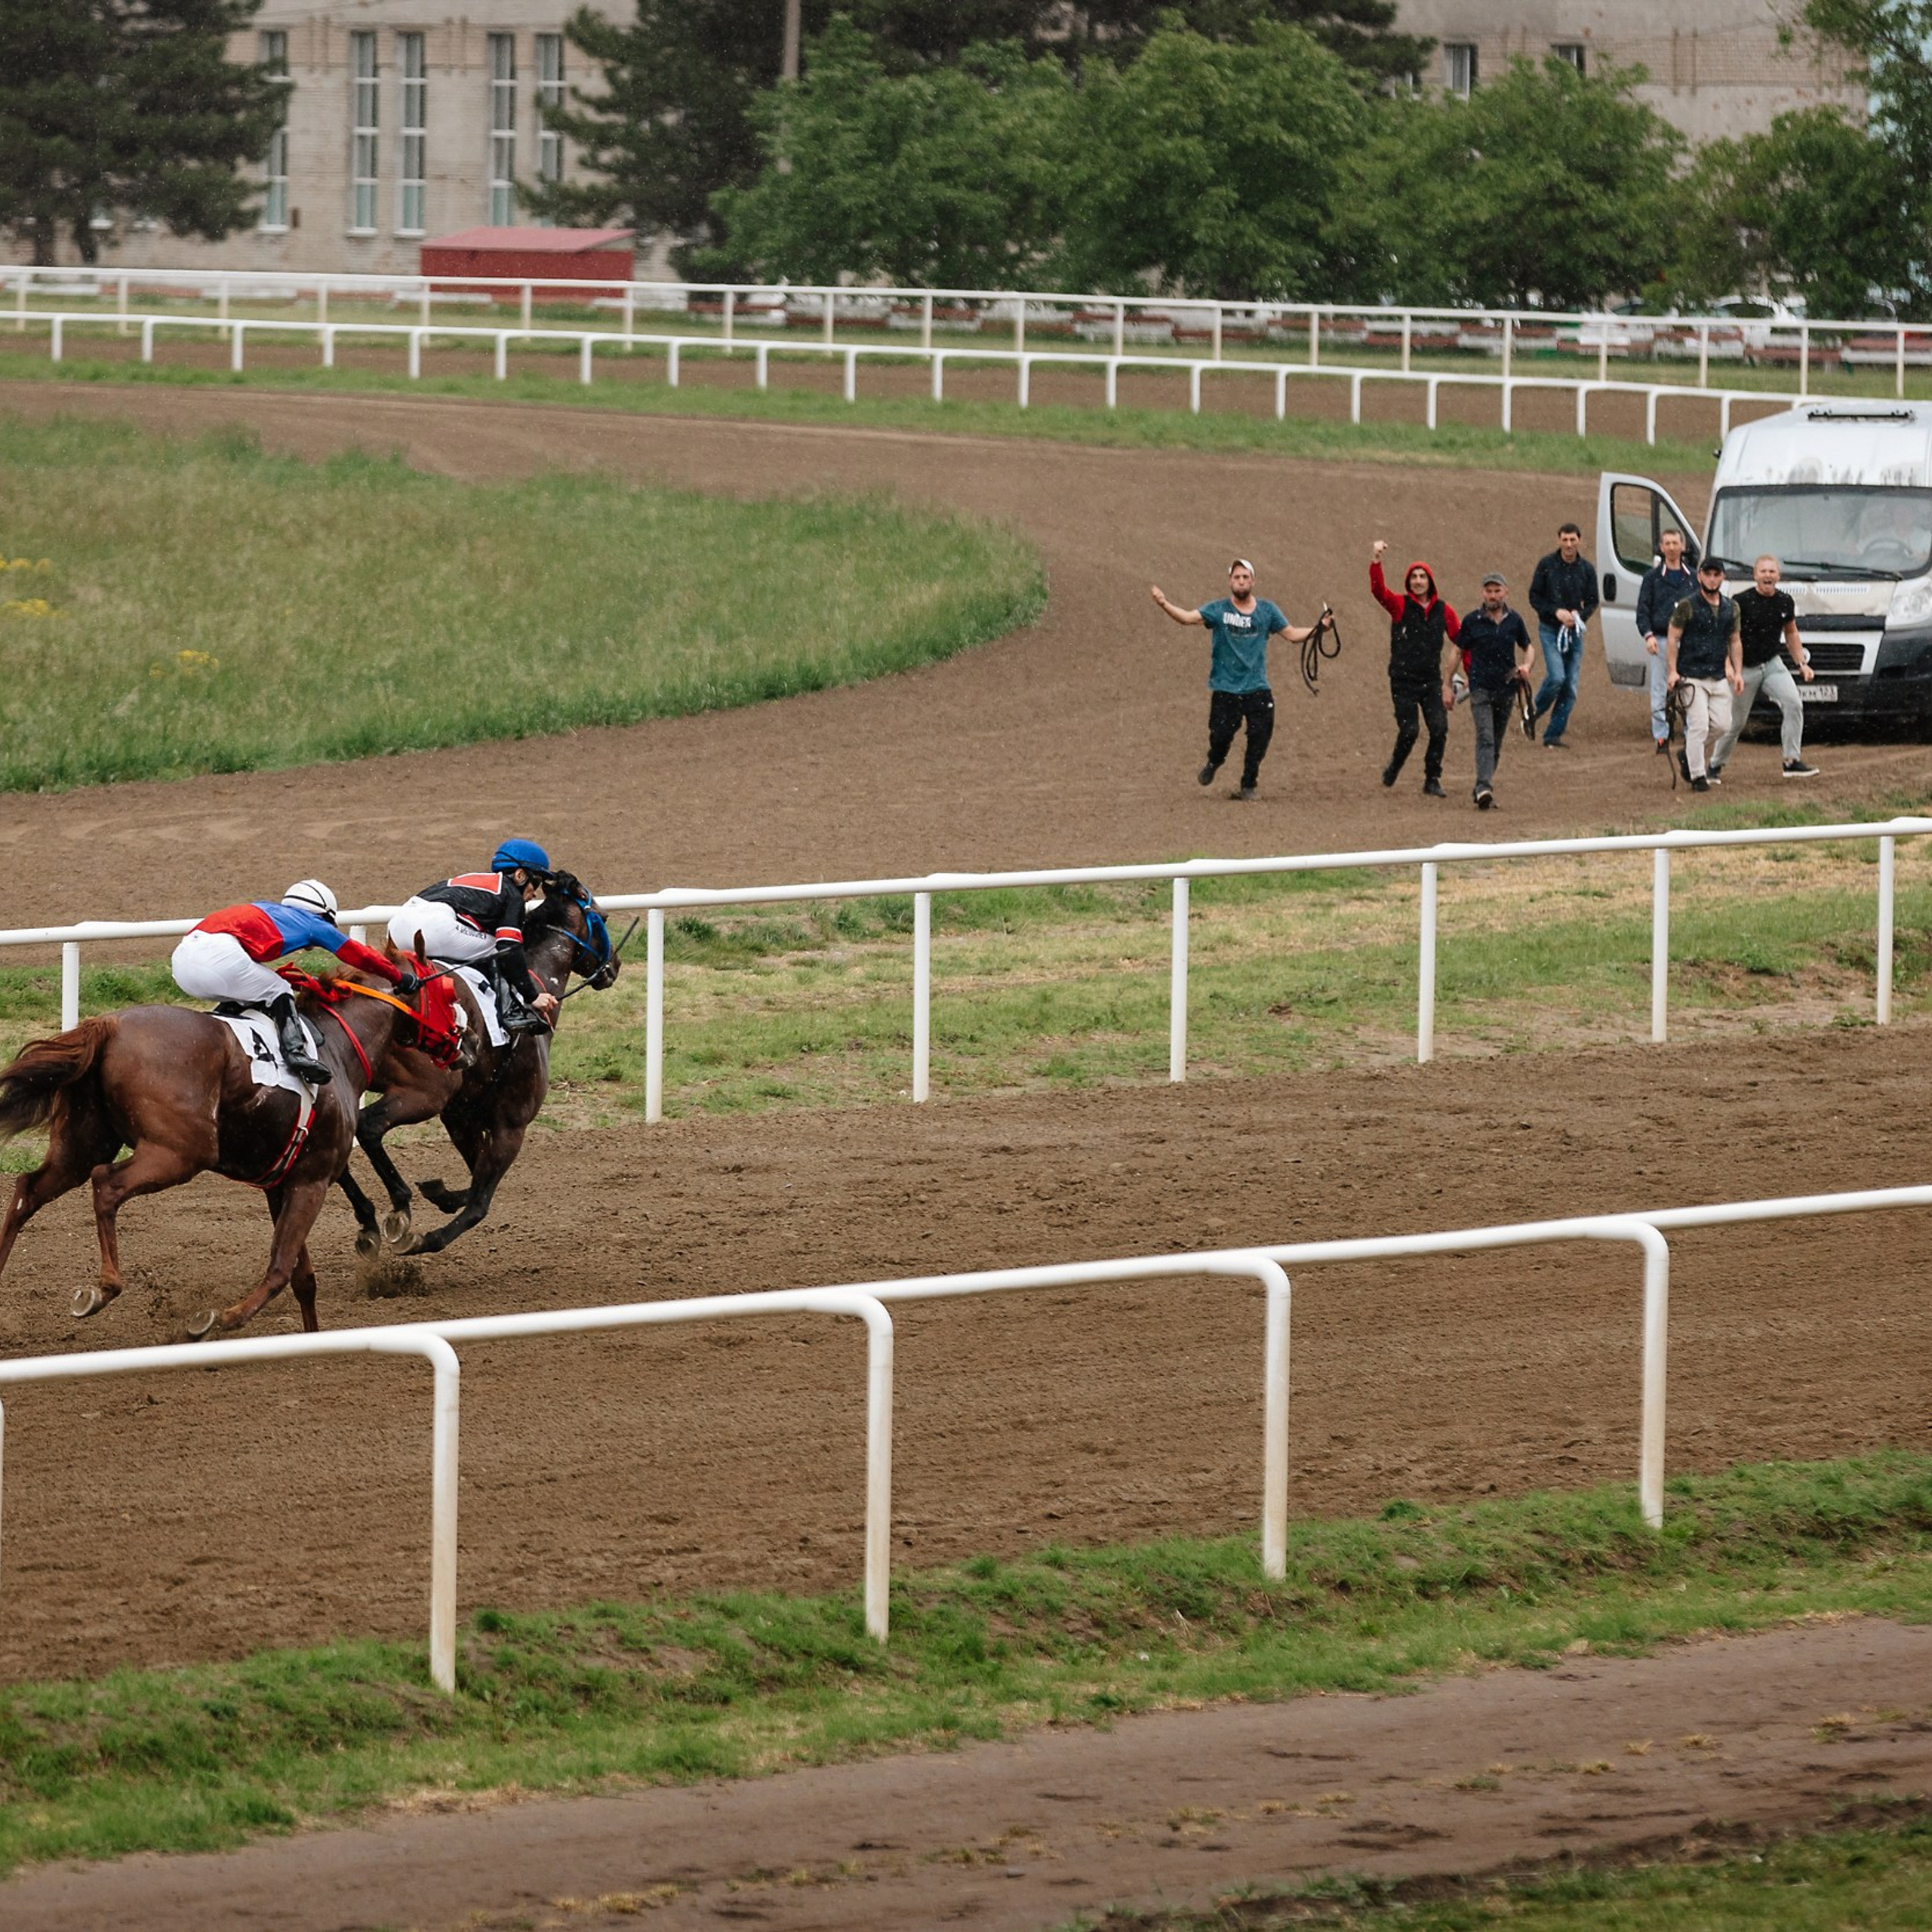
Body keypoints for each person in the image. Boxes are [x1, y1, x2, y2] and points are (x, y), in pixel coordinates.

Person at [171, 878, 420, 1084]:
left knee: (251, 991)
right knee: (278, 989)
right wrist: (399, 977)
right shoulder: (312, 922)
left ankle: (211, 1042)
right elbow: (359, 955)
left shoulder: (268, 909)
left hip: (182, 961)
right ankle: (296, 1054)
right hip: (217, 958)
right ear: (322, 914)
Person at [1150, 558, 1334, 800]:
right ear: (1230, 582)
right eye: (1237, 577)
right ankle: (1215, 761)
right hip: (1225, 689)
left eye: (1246, 577)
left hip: (1257, 688)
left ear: (1253, 581)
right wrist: (1164, 603)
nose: (1241, 581)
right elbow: (1186, 618)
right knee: (1220, 737)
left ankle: (1248, 785)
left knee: (1260, 737)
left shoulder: (1268, 611)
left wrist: (1319, 629)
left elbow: (1291, 634)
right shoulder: (1218, 610)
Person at [388, 838, 562, 1034]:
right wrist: (532, 996)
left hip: (396, 927)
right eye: (536, 882)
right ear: (520, 875)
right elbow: (508, 947)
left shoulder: (480, 882)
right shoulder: (512, 895)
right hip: (433, 927)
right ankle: (512, 1014)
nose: (535, 893)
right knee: (502, 949)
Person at [1708, 554, 1821, 781]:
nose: (1768, 575)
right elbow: (1726, 637)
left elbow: (1791, 632)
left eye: (1772, 571)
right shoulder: (1740, 602)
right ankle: (1714, 766)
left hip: (1771, 664)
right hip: (1744, 669)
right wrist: (1729, 667)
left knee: (1794, 704)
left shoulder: (1785, 602)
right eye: (1763, 571)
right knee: (1736, 723)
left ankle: (1791, 761)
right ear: (1755, 575)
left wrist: (1802, 664)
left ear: (1778, 576)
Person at [1369, 540, 1459, 797]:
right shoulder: (1399, 605)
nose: (1418, 581)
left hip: (1431, 682)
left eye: (1422, 577)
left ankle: (1432, 779)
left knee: (1439, 729)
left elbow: (1461, 640)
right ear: (1408, 582)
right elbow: (1379, 591)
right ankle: (1394, 767)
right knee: (1409, 731)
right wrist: (1376, 560)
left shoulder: (1444, 610)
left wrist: (1466, 674)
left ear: (1430, 581)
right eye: (1414, 577)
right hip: (1403, 681)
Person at [1453, 570, 1535, 809]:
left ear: (1505, 592)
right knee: (1486, 737)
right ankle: (1483, 787)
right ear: (1483, 593)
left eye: (1497, 591)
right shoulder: (1472, 621)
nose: (1493, 595)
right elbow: (1457, 651)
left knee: (1496, 742)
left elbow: (1528, 647)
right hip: (1480, 688)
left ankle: (1482, 787)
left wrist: (1527, 666)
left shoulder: (1515, 620)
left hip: (1506, 689)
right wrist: (1448, 684)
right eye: (1489, 591)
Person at [1666, 558, 1743, 792]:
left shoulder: (1732, 608)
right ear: (1700, 576)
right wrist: (1673, 671)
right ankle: (1698, 776)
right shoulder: (1687, 606)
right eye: (1707, 574)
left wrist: (1738, 671)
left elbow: (1735, 641)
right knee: (1698, 724)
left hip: (1718, 676)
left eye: (1716, 575)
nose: (1712, 579)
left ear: (1722, 577)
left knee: (1723, 725)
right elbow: (1673, 638)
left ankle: (1689, 754)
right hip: (1692, 675)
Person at [1527, 521, 1599, 749]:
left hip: (1574, 633)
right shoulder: (1546, 565)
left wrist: (1579, 616)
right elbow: (1535, 596)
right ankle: (1532, 713)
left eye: (1572, 540)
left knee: (1570, 687)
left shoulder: (1587, 569)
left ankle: (1553, 735)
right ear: (1558, 540)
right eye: (1565, 540)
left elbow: (1593, 601)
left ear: (1579, 540)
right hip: (1550, 630)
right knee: (1557, 677)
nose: (1569, 544)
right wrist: (1555, 612)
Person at [1635, 527, 1695, 756]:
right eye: (1667, 543)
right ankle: (1661, 737)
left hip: (1687, 643)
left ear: (1683, 546)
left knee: (1690, 689)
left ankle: (1692, 735)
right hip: (1660, 640)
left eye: (1675, 543)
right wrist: (1648, 635)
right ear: (1661, 547)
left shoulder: (1693, 578)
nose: (1671, 548)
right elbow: (1643, 610)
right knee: (1659, 691)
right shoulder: (1652, 578)